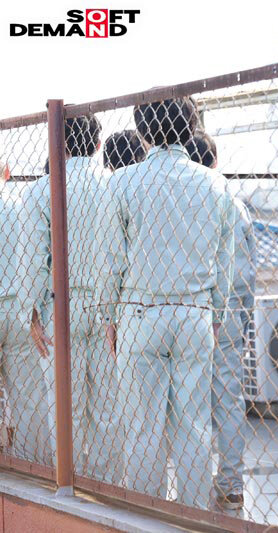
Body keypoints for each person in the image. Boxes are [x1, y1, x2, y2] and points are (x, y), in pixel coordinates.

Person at [97, 97, 236, 508]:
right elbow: (224, 261)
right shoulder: (216, 185)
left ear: (143, 131)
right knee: (193, 424)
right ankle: (194, 514)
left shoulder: (122, 183)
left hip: (139, 311)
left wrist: (109, 318)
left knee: (143, 426)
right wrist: (216, 314)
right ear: (190, 128)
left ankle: (146, 515)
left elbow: (111, 260)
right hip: (195, 311)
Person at [18, 113, 121, 482]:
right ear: (98, 144)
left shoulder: (40, 191)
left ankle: (70, 483)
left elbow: (34, 259)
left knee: (65, 405)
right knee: (109, 408)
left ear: (58, 144)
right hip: (107, 305)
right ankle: (108, 486)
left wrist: (31, 313)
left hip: (59, 303)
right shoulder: (113, 184)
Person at [186, 130, 256, 510]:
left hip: (195, 306)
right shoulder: (235, 203)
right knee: (229, 397)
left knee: (190, 398)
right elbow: (250, 268)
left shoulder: (188, 200)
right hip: (230, 309)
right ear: (215, 161)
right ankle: (231, 484)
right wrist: (244, 315)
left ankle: (194, 484)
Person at [0, 160, 51, 464]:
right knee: (29, 398)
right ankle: (32, 465)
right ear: (6, 171)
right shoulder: (21, 206)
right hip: (19, 307)